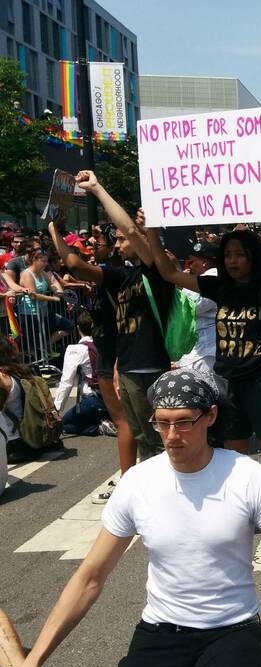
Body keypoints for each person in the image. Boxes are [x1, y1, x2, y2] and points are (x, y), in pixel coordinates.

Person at [9, 368, 261, 667]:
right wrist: (34, 658)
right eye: (162, 422)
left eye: (183, 422)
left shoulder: (246, 475)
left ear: (209, 416)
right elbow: (90, 576)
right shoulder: (138, 481)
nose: (171, 436)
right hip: (161, 630)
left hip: (232, 629)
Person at [147, 205, 261, 496]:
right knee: (235, 455)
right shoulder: (217, 287)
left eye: (240, 254)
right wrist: (153, 230)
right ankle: (241, 506)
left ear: (253, 258)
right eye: (228, 255)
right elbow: (168, 273)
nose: (233, 260)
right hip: (228, 383)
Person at [52, 172, 172, 469]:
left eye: (120, 240)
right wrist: (118, 367)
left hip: (150, 368)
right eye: (115, 241)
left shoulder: (156, 274)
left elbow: (131, 229)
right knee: (144, 439)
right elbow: (75, 266)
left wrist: (96, 188)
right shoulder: (123, 276)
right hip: (129, 368)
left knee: (158, 441)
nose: (118, 245)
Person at [49, 219, 138, 503]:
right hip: (112, 353)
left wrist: (54, 229)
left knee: (125, 422)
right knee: (127, 421)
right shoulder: (113, 275)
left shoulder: (116, 274)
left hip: (114, 355)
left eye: (97, 243)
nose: (93, 246)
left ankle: (128, 484)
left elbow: (74, 264)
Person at [52, 311, 113, 437]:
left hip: (94, 399)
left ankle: (99, 427)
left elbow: (66, 382)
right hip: (112, 398)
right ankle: (106, 418)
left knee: (66, 424)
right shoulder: (107, 343)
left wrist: (56, 410)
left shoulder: (76, 350)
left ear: (78, 328)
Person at [175, 240, 219, 372]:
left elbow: (195, 306)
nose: (190, 266)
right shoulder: (199, 279)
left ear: (204, 262)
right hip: (195, 350)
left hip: (206, 351)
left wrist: (182, 282)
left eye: (191, 262)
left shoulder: (214, 275)